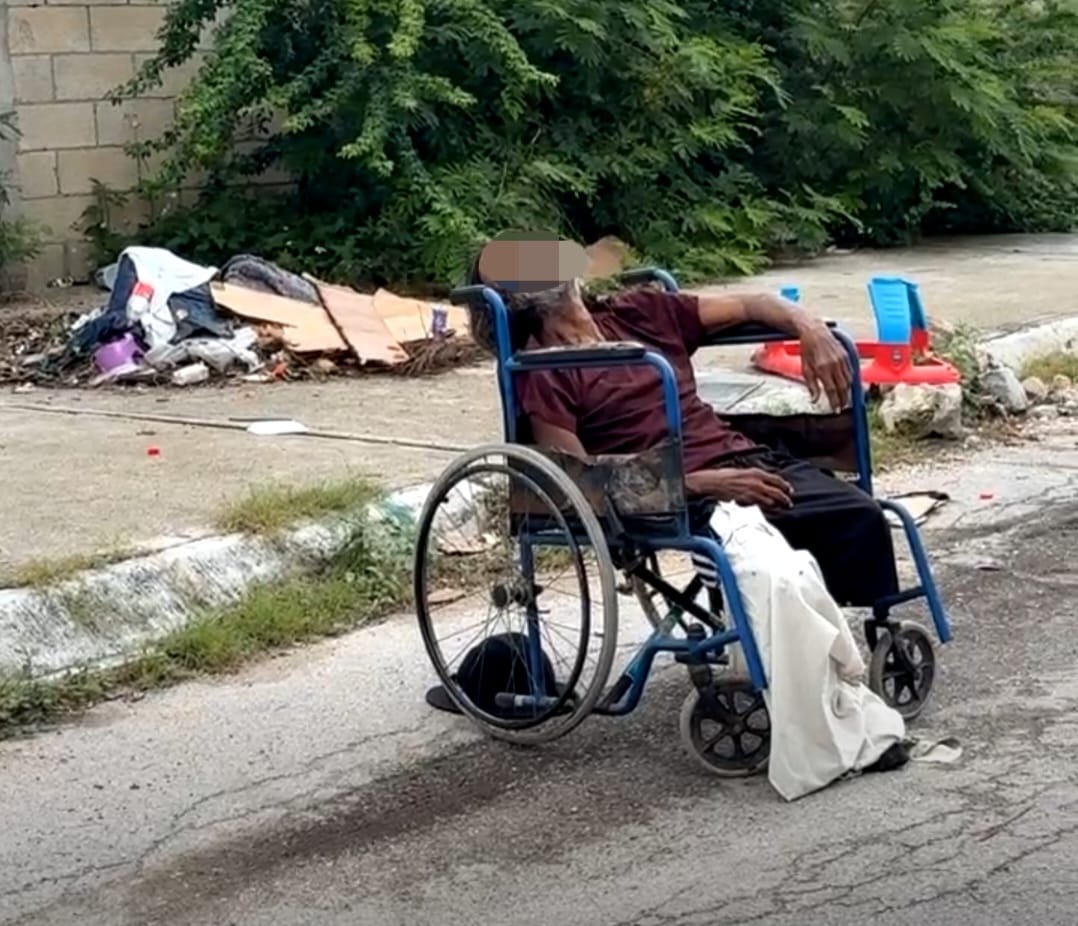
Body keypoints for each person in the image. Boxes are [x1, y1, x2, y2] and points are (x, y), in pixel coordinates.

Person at [467, 269, 899, 609]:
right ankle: (779, 641)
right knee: (782, 555)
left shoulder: (639, 312)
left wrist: (811, 328)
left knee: (859, 514)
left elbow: (753, 303)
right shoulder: (542, 370)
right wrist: (696, 483)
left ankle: (840, 633)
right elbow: (578, 482)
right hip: (672, 494)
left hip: (739, 456)